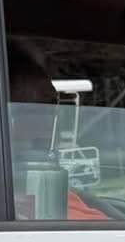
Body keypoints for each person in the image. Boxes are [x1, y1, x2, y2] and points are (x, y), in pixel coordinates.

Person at [6, 40, 110, 221]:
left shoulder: (49, 189)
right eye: (39, 108)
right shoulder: (14, 205)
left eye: (54, 106)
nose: (54, 117)